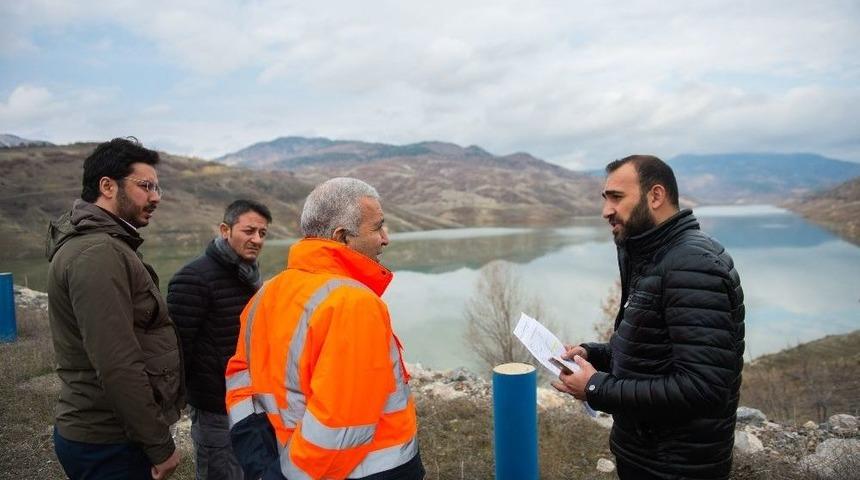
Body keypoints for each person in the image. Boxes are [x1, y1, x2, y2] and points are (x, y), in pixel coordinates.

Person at [552, 155, 745, 480]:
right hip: (649, 458)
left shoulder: (691, 265)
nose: (606, 211)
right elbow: (652, 352)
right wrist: (594, 354)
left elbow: (702, 388)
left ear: (655, 196)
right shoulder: (655, 257)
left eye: (617, 197)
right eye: (605, 199)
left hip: (678, 468)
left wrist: (596, 388)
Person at [225, 177, 424, 480]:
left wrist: (260, 461)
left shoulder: (267, 293)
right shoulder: (354, 302)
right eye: (377, 227)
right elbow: (341, 426)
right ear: (342, 236)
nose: (386, 238)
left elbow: (240, 380)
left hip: (276, 460)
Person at [46, 137, 184, 480]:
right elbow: (117, 363)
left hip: (111, 435)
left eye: (157, 187)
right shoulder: (98, 254)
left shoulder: (107, 245)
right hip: (108, 442)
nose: (155, 197)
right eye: (145, 186)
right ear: (107, 186)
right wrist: (159, 446)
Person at [167, 199, 272, 479]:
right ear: (225, 229)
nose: (256, 239)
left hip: (252, 403)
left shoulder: (248, 277)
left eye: (262, 233)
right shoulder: (193, 279)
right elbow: (176, 352)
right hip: (215, 409)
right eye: (249, 231)